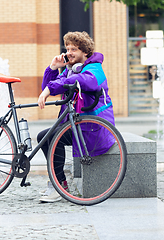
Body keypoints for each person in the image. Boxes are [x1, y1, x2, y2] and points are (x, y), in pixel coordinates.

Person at [37, 31, 115, 203]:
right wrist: (52, 68)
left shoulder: (95, 69)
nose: (69, 52)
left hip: (94, 127)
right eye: (67, 48)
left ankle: (58, 186)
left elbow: (84, 81)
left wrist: (50, 89)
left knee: (51, 137)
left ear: (85, 52)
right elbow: (49, 88)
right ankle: (59, 182)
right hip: (78, 126)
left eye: (74, 49)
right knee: (44, 136)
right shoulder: (70, 70)